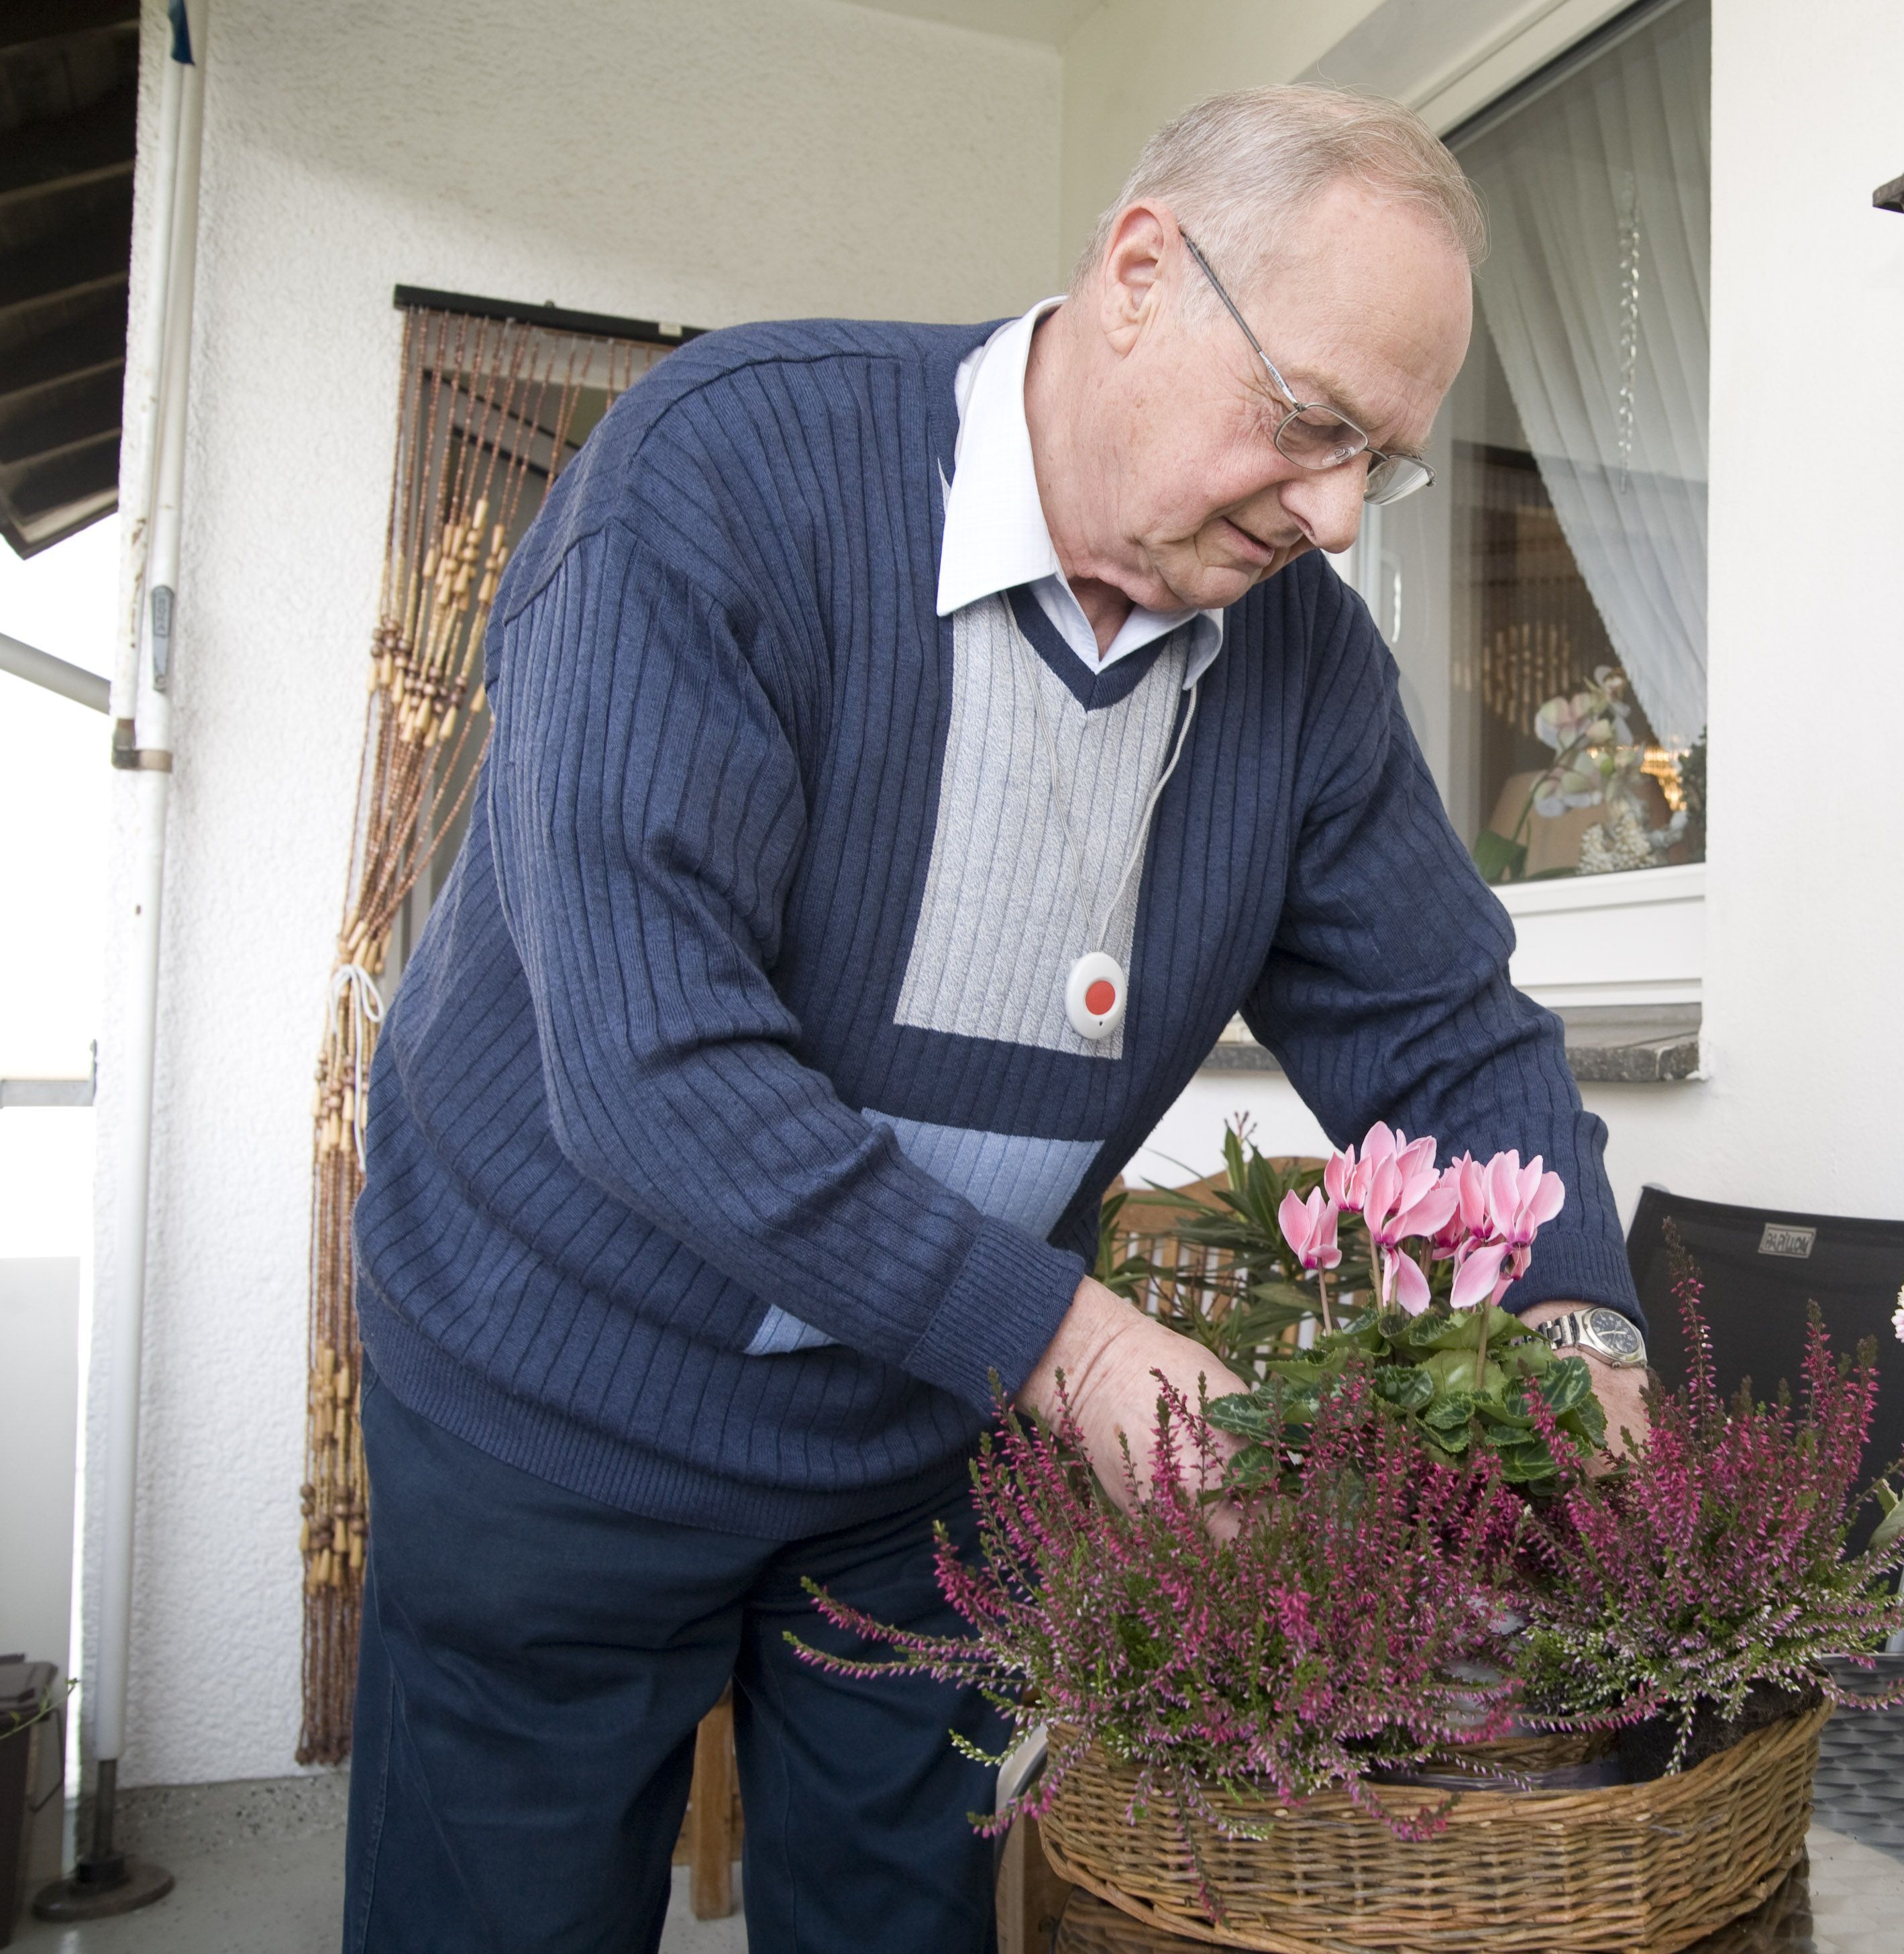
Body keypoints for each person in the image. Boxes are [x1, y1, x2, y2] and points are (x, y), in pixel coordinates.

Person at [342, 86, 1652, 1954]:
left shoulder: (1304, 672)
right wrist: (1074, 1345)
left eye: (1387, 460)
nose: (1343, 514)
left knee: (904, 1926)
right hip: (558, 1409)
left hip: (916, 1446)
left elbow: (1446, 1038)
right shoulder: (721, 479)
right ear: (1139, 274)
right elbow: (656, 1067)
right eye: (1309, 423)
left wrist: (1572, 1323)